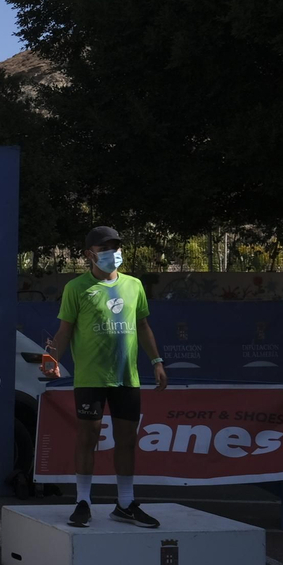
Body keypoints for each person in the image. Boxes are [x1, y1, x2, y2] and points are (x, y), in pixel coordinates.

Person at [46, 226, 168, 528]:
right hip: (90, 378)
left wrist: (157, 361)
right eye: (105, 248)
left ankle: (125, 504)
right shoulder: (76, 288)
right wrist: (51, 359)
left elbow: (143, 326)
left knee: (127, 441)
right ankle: (83, 502)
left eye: (116, 247)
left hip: (128, 378)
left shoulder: (134, 285)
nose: (113, 253)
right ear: (89, 254)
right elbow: (64, 331)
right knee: (88, 438)